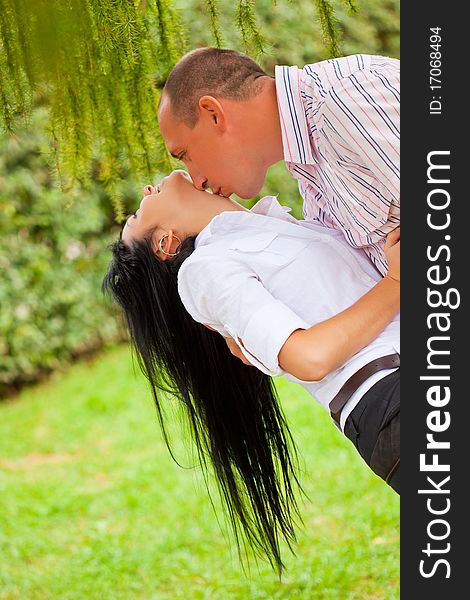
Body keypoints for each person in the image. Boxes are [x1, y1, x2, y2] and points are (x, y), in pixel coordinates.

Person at [102, 170, 400, 573]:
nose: (146, 188)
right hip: (392, 400)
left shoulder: (260, 229)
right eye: (139, 212)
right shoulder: (205, 269)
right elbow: (309, 357)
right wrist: (401, 280)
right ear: (165, 242)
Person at [158, 47, 400, 277]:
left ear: (213, 114)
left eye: (185, 155)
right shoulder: (312, 180)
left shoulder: (345, 101)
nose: (198, 182)